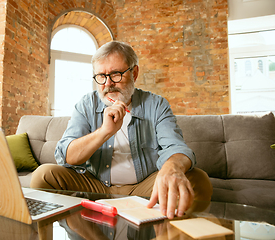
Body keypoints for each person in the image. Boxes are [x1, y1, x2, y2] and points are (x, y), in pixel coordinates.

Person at [30, 41, 212, 219]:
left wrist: (172, 168)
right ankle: (76, 226)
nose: (108, 84)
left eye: (116, 74)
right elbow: (67, 155)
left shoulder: (156, 104)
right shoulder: (86, 105)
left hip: (144, 186)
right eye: (101, 76)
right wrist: (105, 132)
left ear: (134, 73)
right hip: (95, 184)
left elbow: (176, 147)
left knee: (197, 180)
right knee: (43, 175)